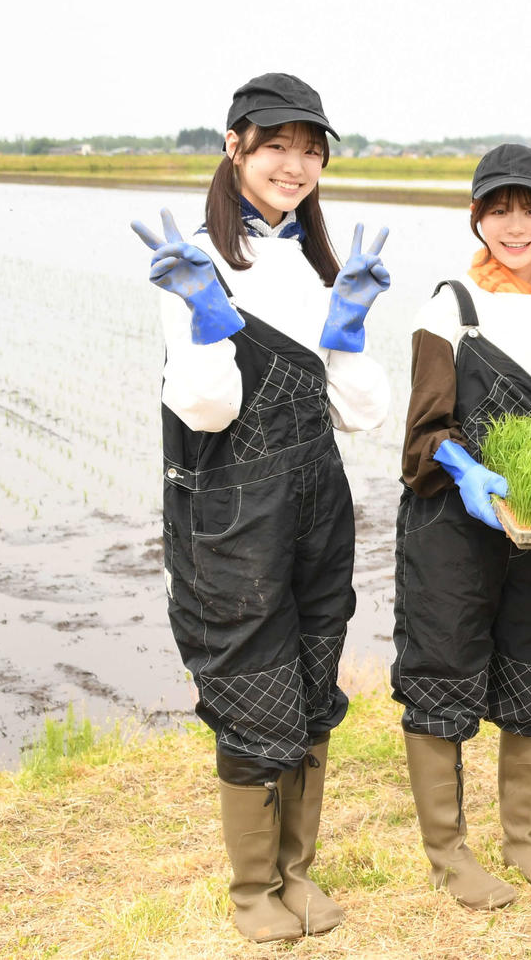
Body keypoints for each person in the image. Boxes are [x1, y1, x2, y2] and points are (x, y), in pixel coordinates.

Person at [131, 72, 391, 942]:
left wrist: (348, 327)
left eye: (310, 149)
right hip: (231, 515)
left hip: (319, 505)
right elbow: (204, 410)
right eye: (276, 143)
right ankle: (251, 889)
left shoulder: (320, 263)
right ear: (234, 145)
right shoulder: (196, 258)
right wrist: (208, 316)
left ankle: (296, 873)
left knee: (316, 682)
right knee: (253, 690)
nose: (295, 163)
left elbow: (361, 412)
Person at [392, 144, 531, 909]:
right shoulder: (448, 308)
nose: (514, 225)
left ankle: (522, 835)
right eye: (498, 209)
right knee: (443, 672)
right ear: (477, 217)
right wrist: (464, 468)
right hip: (454, 524)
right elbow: (421, 433)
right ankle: (449, 854)